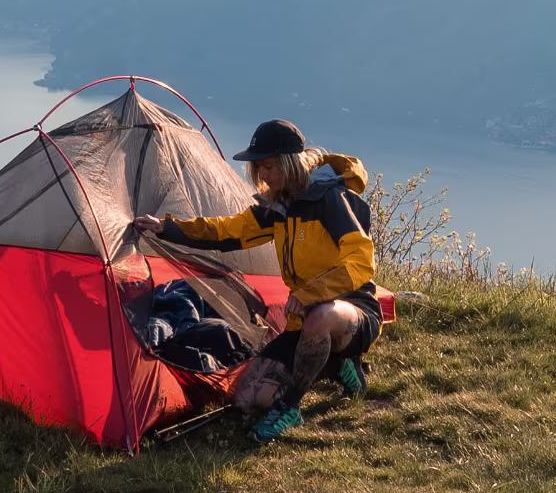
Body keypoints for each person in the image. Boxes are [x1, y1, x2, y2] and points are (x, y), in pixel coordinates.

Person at [133, 118, 382, 444]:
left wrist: (312, 293)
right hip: (303, 319)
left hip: (352, 311)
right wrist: (167, 228)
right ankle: (338, 365)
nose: (261, 175)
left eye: (268, 166)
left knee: (321, 317)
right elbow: (226, 231)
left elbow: (361, 262)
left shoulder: (331, 200)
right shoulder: (279, 207)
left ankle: (291, 409)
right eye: (258, 167)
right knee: (248, 399)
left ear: (289, 163)